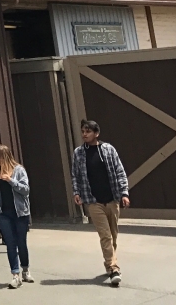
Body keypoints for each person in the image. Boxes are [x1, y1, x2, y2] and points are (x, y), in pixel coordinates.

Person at [70, 119, 130, 287]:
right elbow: (75, 174)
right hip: (93, 201)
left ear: (96, 133)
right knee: (105, 236)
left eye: (88, 131)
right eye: (83, 131)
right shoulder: (79, 153)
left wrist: (124, 193)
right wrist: (76, 192)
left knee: (113, 236)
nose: (84, 134)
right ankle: (114, 269)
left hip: (112, 199)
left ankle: (109, 263)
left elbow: (120, 171)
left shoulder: (108, 150)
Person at [0, 144, 32, 289]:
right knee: (10, 243)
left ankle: (25, 269)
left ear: (3, 156)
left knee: (21, 242)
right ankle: (15, 274)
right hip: (3, 213)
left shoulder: (19, 170)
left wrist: (10, 180)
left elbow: (26, 190)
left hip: (20, 213)